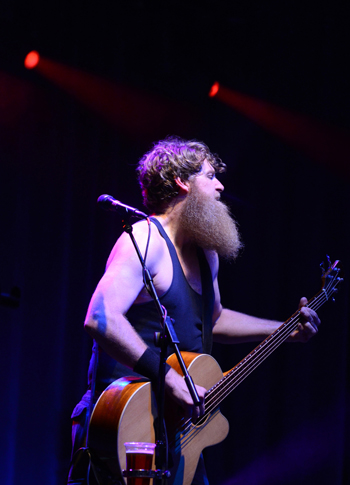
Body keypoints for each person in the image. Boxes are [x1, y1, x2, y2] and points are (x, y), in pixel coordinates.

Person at [67, 136, 320, 485]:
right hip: (124, 423)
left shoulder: (206, 255)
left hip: (177, 432)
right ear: (182, 182)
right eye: (210, 175)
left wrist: (283, 329)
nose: (221, 185)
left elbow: (213, 318)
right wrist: (170, 379)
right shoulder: (145, 240)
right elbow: (101, 317)